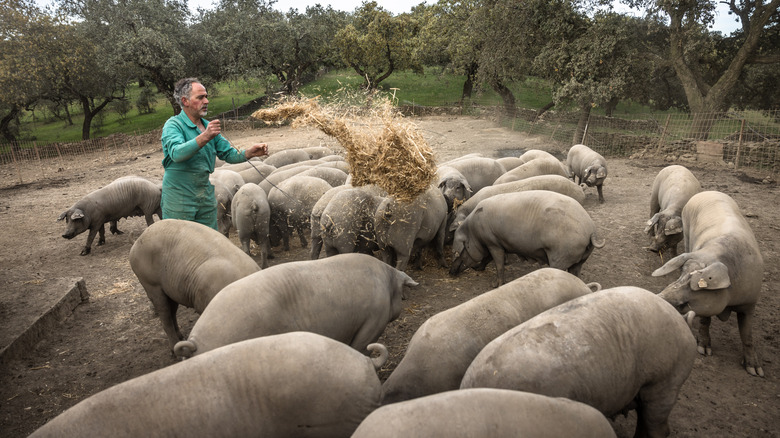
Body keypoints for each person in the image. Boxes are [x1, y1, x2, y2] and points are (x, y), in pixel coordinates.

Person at [160, 77, 268, 229]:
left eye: (206, 96)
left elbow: (228, 154)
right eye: (200, 97)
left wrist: (249, 152)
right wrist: (206, 136)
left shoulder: (207, 126)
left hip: (203, 193)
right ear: (185, 101)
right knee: (180, 242)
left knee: (209, 240)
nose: (206, 101)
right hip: (179, 196)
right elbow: (177, 154)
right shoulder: (174, 125)